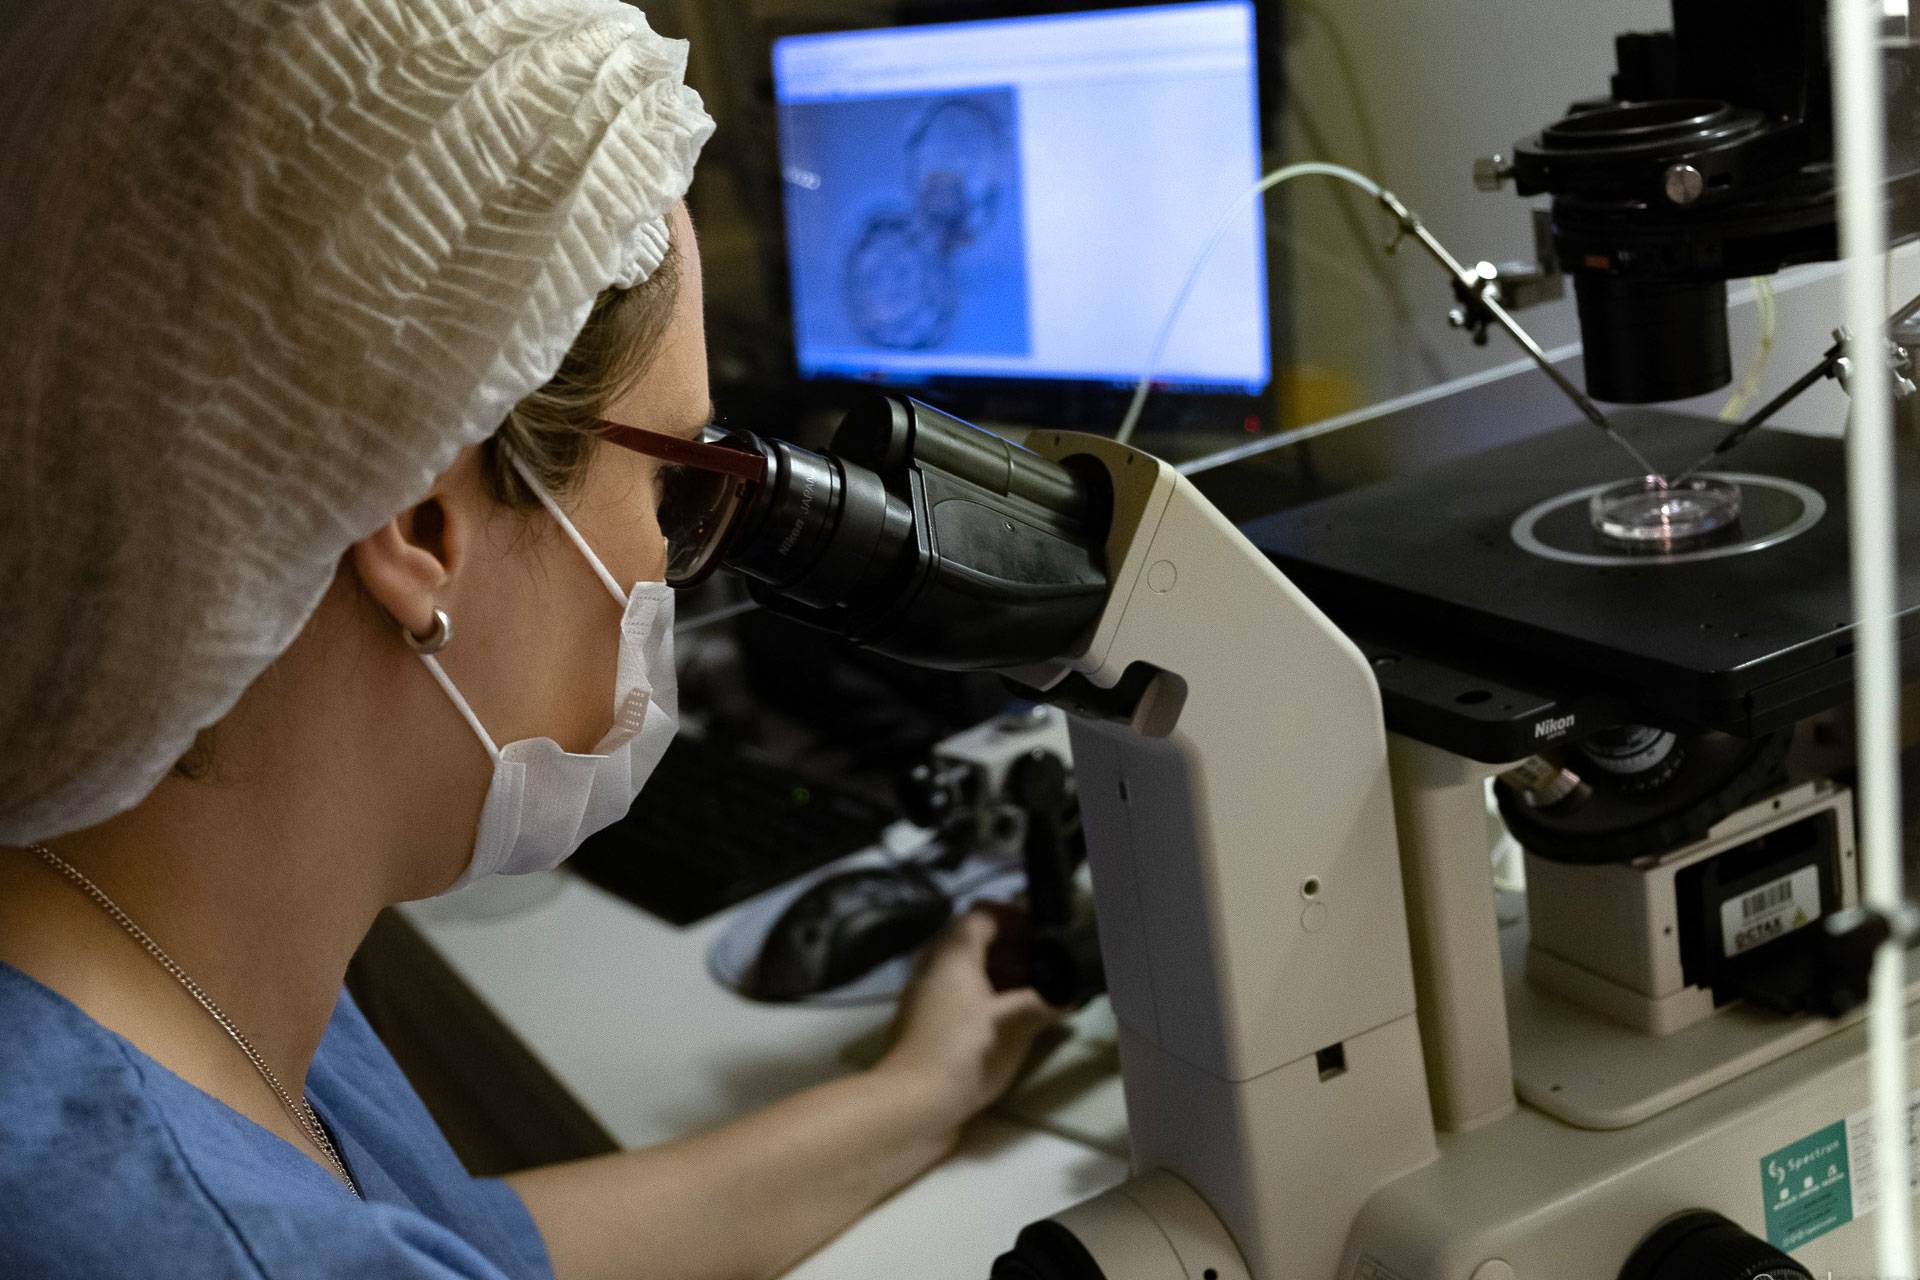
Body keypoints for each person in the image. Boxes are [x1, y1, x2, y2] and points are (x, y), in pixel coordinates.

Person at [0, 3, 1060, 1278]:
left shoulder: (150, 940)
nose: (668, 559)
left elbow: (473, 1252)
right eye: (672, 486)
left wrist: (919, 1090)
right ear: (419, 523)